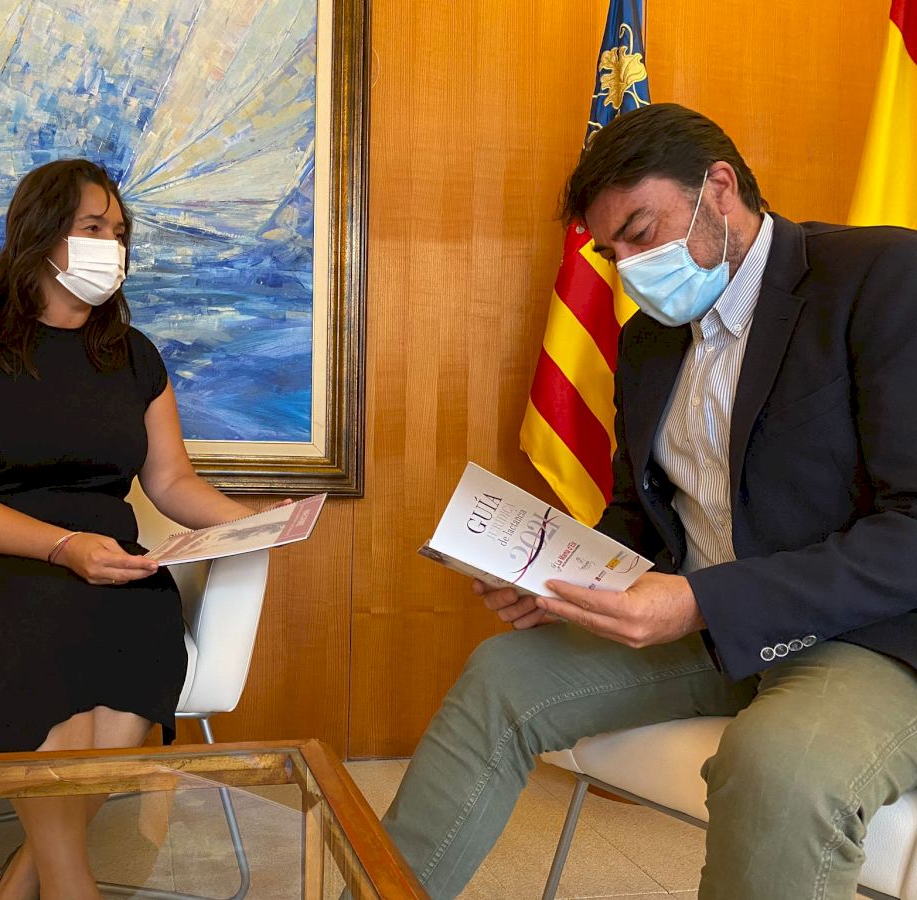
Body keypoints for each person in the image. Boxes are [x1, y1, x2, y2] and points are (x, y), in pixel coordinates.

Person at [382, 103, 917, 899]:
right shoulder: (647, 341)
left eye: (641, 232)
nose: (629, 268)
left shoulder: (880, 278)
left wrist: (699, 600)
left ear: (720, 189)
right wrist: (556, 578)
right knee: (501, 676)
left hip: (868, 636)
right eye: (611, 252)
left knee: (777, 769)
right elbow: (640, 517)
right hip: (704, 628)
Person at [0, 159, 256, 900]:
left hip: (100, 561)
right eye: (93, 228)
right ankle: (72, 884)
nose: (112, 246)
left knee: (145, 611)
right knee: (54, 611)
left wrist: (258, 526)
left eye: (119, 232)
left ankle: (31, 871)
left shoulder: (135, 356)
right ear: (41, 234)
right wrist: (61, 547)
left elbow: (171, 483)